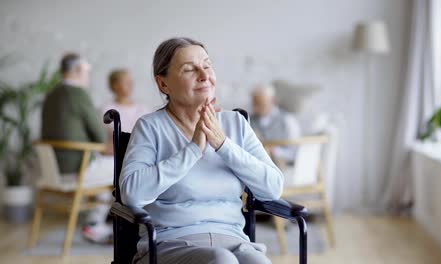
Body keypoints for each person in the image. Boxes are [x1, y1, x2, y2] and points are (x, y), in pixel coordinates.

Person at [120, 37, 284, 264]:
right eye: (189, 69)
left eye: (207, 66)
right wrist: (193, 150)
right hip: (170, 243)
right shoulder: (150, 127)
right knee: (221, 260)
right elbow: (132, 193)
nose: (204, 75)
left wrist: (223, 145)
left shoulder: (235, 123)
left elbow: (273, 187)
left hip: (234, 239)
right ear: (163, 84)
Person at [41, 53, 114, 243]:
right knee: (125, 168)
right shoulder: (78, 93)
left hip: (54, 170)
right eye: (87, 71)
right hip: (77, 169)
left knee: (105, 172)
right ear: (79, 70)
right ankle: (104, 226)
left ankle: (94, 225)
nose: (88, 76)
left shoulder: (51, 94)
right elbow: (99, 134)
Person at [101, 69, 151, 154]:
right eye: (126, 82)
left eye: (131, 82)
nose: (131, 85)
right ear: (114, 85)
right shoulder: (106, 110)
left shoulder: (142, 109)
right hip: (113, 157)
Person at [250, 84, 301, 165]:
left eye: (260, 104)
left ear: (272, 101)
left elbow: (295, 152)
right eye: (254, 104)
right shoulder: (249, 121)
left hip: (282, 168)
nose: (256, 109)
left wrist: (275, 151)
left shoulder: (288, 120)